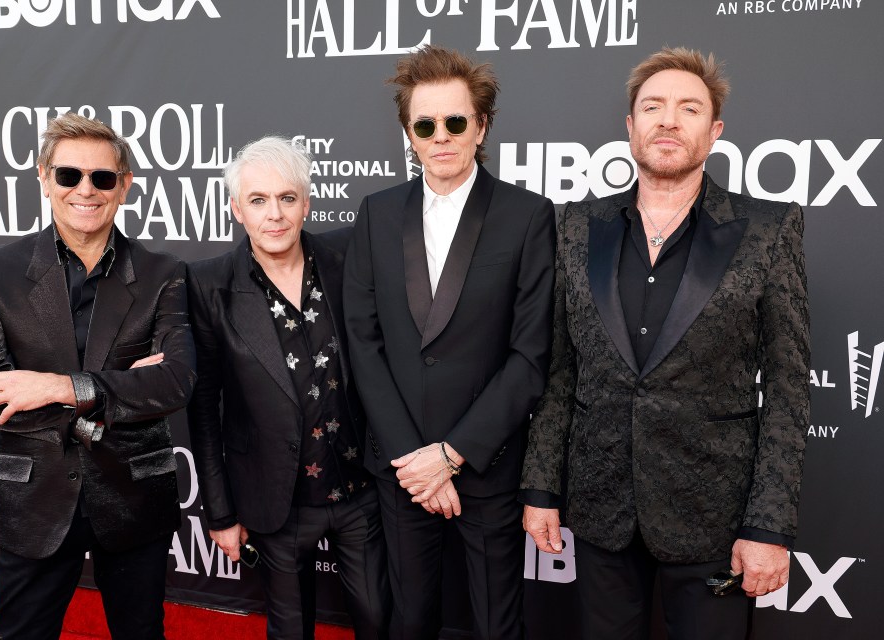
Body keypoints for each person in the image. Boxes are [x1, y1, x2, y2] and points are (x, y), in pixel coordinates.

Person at [521, 47, 810, 639]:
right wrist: (542, 488)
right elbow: (559, 373)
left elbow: (788, 390)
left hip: (715, 518)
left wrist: (770, 526)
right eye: (652, 107)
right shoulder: (576, 225)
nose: (669, 121)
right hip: (601, 511)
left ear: (715, 130)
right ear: (630, 127)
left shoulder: (768, 228)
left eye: (689, 108)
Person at [343, 45, 555, 639]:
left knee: (496, 625)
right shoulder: (378, 214)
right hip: (403, 467)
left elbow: (530, 355)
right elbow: (363, 343)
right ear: (407, 131)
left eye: (456, 121)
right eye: (425, 124)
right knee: (409, 620)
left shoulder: (528, 216)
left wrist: (453, 453)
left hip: (486, 466)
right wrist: (416, 461)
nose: (441, 136)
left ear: (481, 125)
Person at [0, 112, 197, 639]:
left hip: (136, 500)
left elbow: (176, 382)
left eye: (102, 178)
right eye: (69, 175)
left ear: (125, 186)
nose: (85, 190)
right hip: (36, 498)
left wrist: (56, 386)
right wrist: (115, 395)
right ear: (44, 177)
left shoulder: (164, 274)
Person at [186, 136, 389, 639]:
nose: (273, 214)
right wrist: (221, 512)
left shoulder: (347, 258)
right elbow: (203, 410)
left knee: (381, 621)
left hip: (359, 489)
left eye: (287, 198)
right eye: (257, 200)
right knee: (290, 630)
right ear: (236, 209)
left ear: (307, 202)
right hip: (275, 501)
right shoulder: (209, 285)